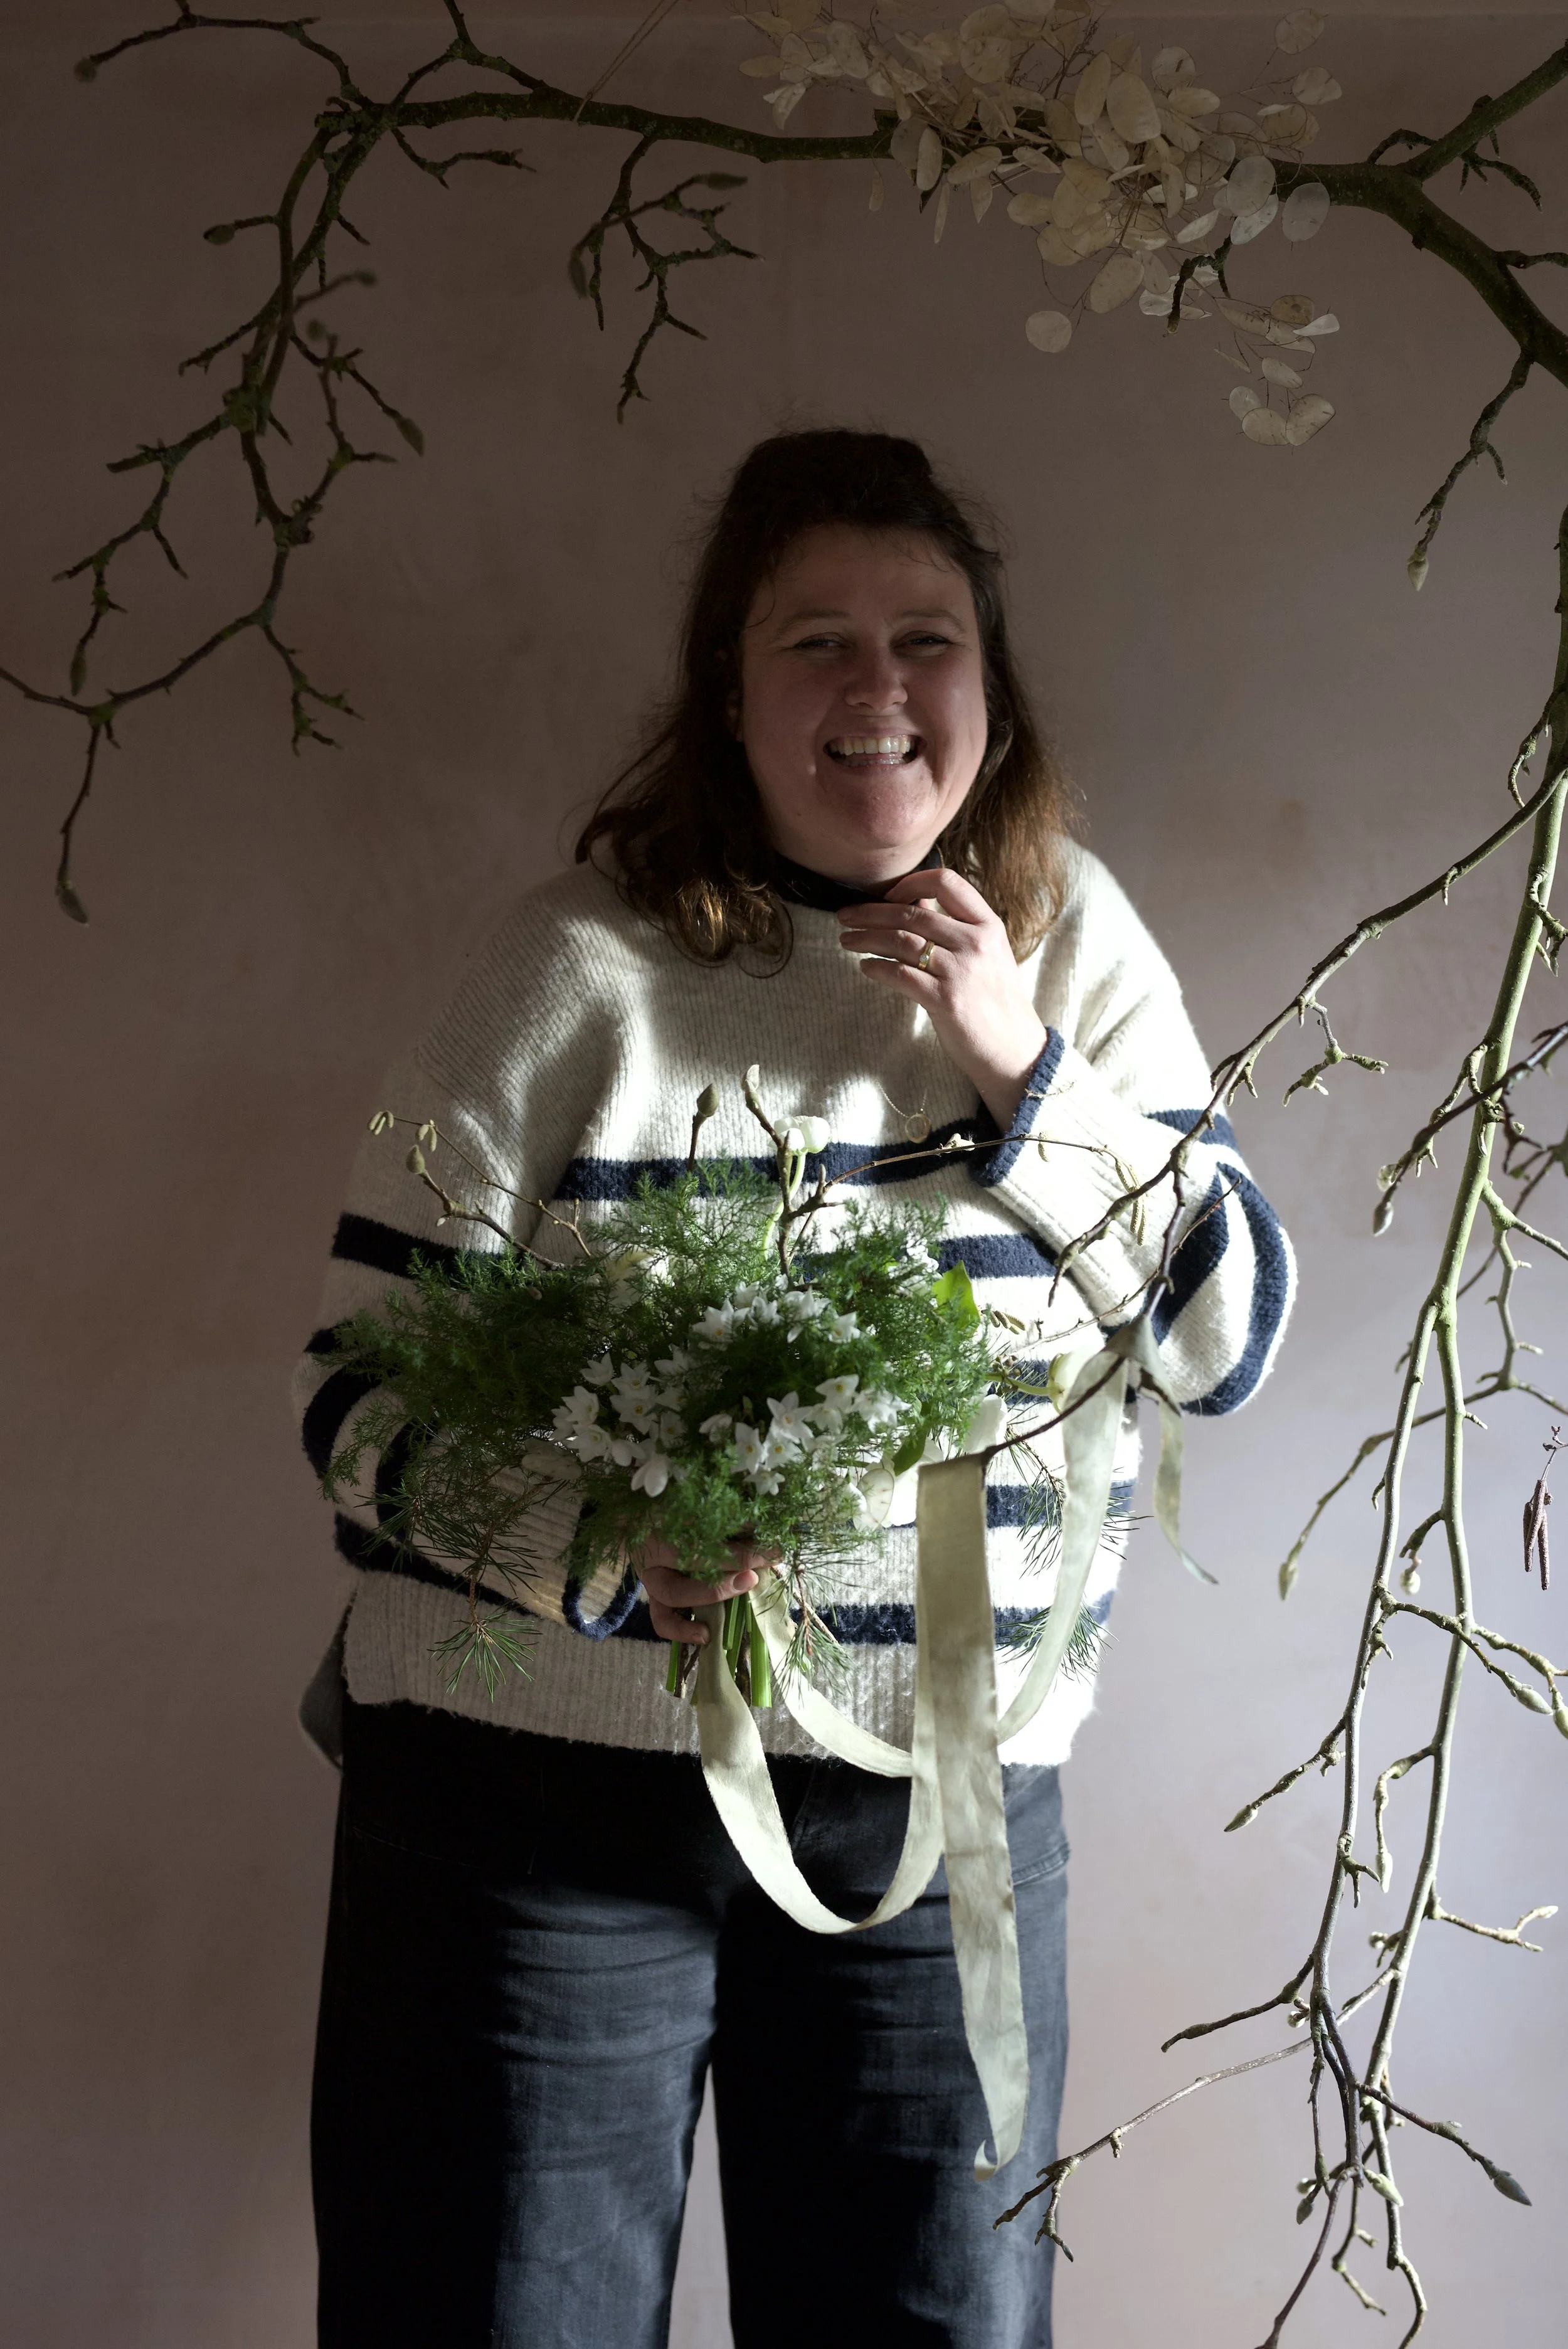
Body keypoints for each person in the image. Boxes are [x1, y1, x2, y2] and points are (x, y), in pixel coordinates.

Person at [295, 429, 1294, 2349]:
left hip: (936, 1809)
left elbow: (1223, 1336)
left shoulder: (1070, 948)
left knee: (923, 2316)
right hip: (533, 1812)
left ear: (988, 696)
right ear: (728, 699)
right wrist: (597, 1544)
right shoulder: (572, 970)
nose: (877, 690)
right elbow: (355, 1393)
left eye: (925, 638)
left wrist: (1023, 1077)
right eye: (815, 642)